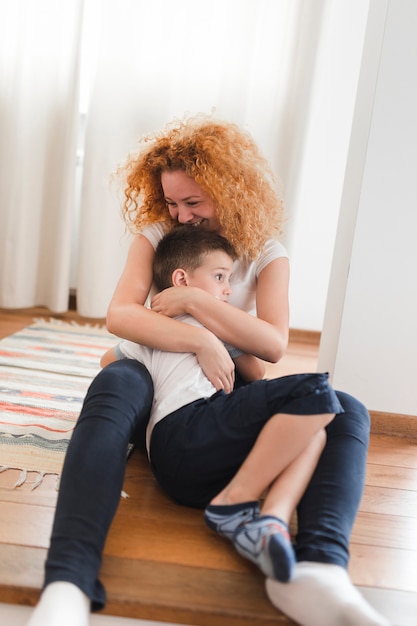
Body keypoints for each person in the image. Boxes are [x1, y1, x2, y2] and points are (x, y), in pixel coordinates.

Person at [27, 114, 389, 626]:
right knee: (116, 378)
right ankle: (68, 578)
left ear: (231, 188)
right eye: (172, 202)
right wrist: (199, 339)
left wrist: (200, 308)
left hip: (223, 387)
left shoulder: (267, 254)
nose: (181, 214)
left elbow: (271, 347)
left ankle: (319, 571)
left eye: (193, 202)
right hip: (156, 372)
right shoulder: (160, 234)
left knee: (347, 408)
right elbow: (120, 318)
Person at [101, 224, 339, 584]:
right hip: (183, 429)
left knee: (313, 429)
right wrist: (198, 339)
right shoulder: (160, 325)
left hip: (186, 473)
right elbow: (111, 360)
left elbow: (255, 371)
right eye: (219, 277)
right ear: (181, 279)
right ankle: (234, 506)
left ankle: (270, 520)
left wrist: (219, 328)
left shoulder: (211, 325)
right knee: (315, 392)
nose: (227, 289)